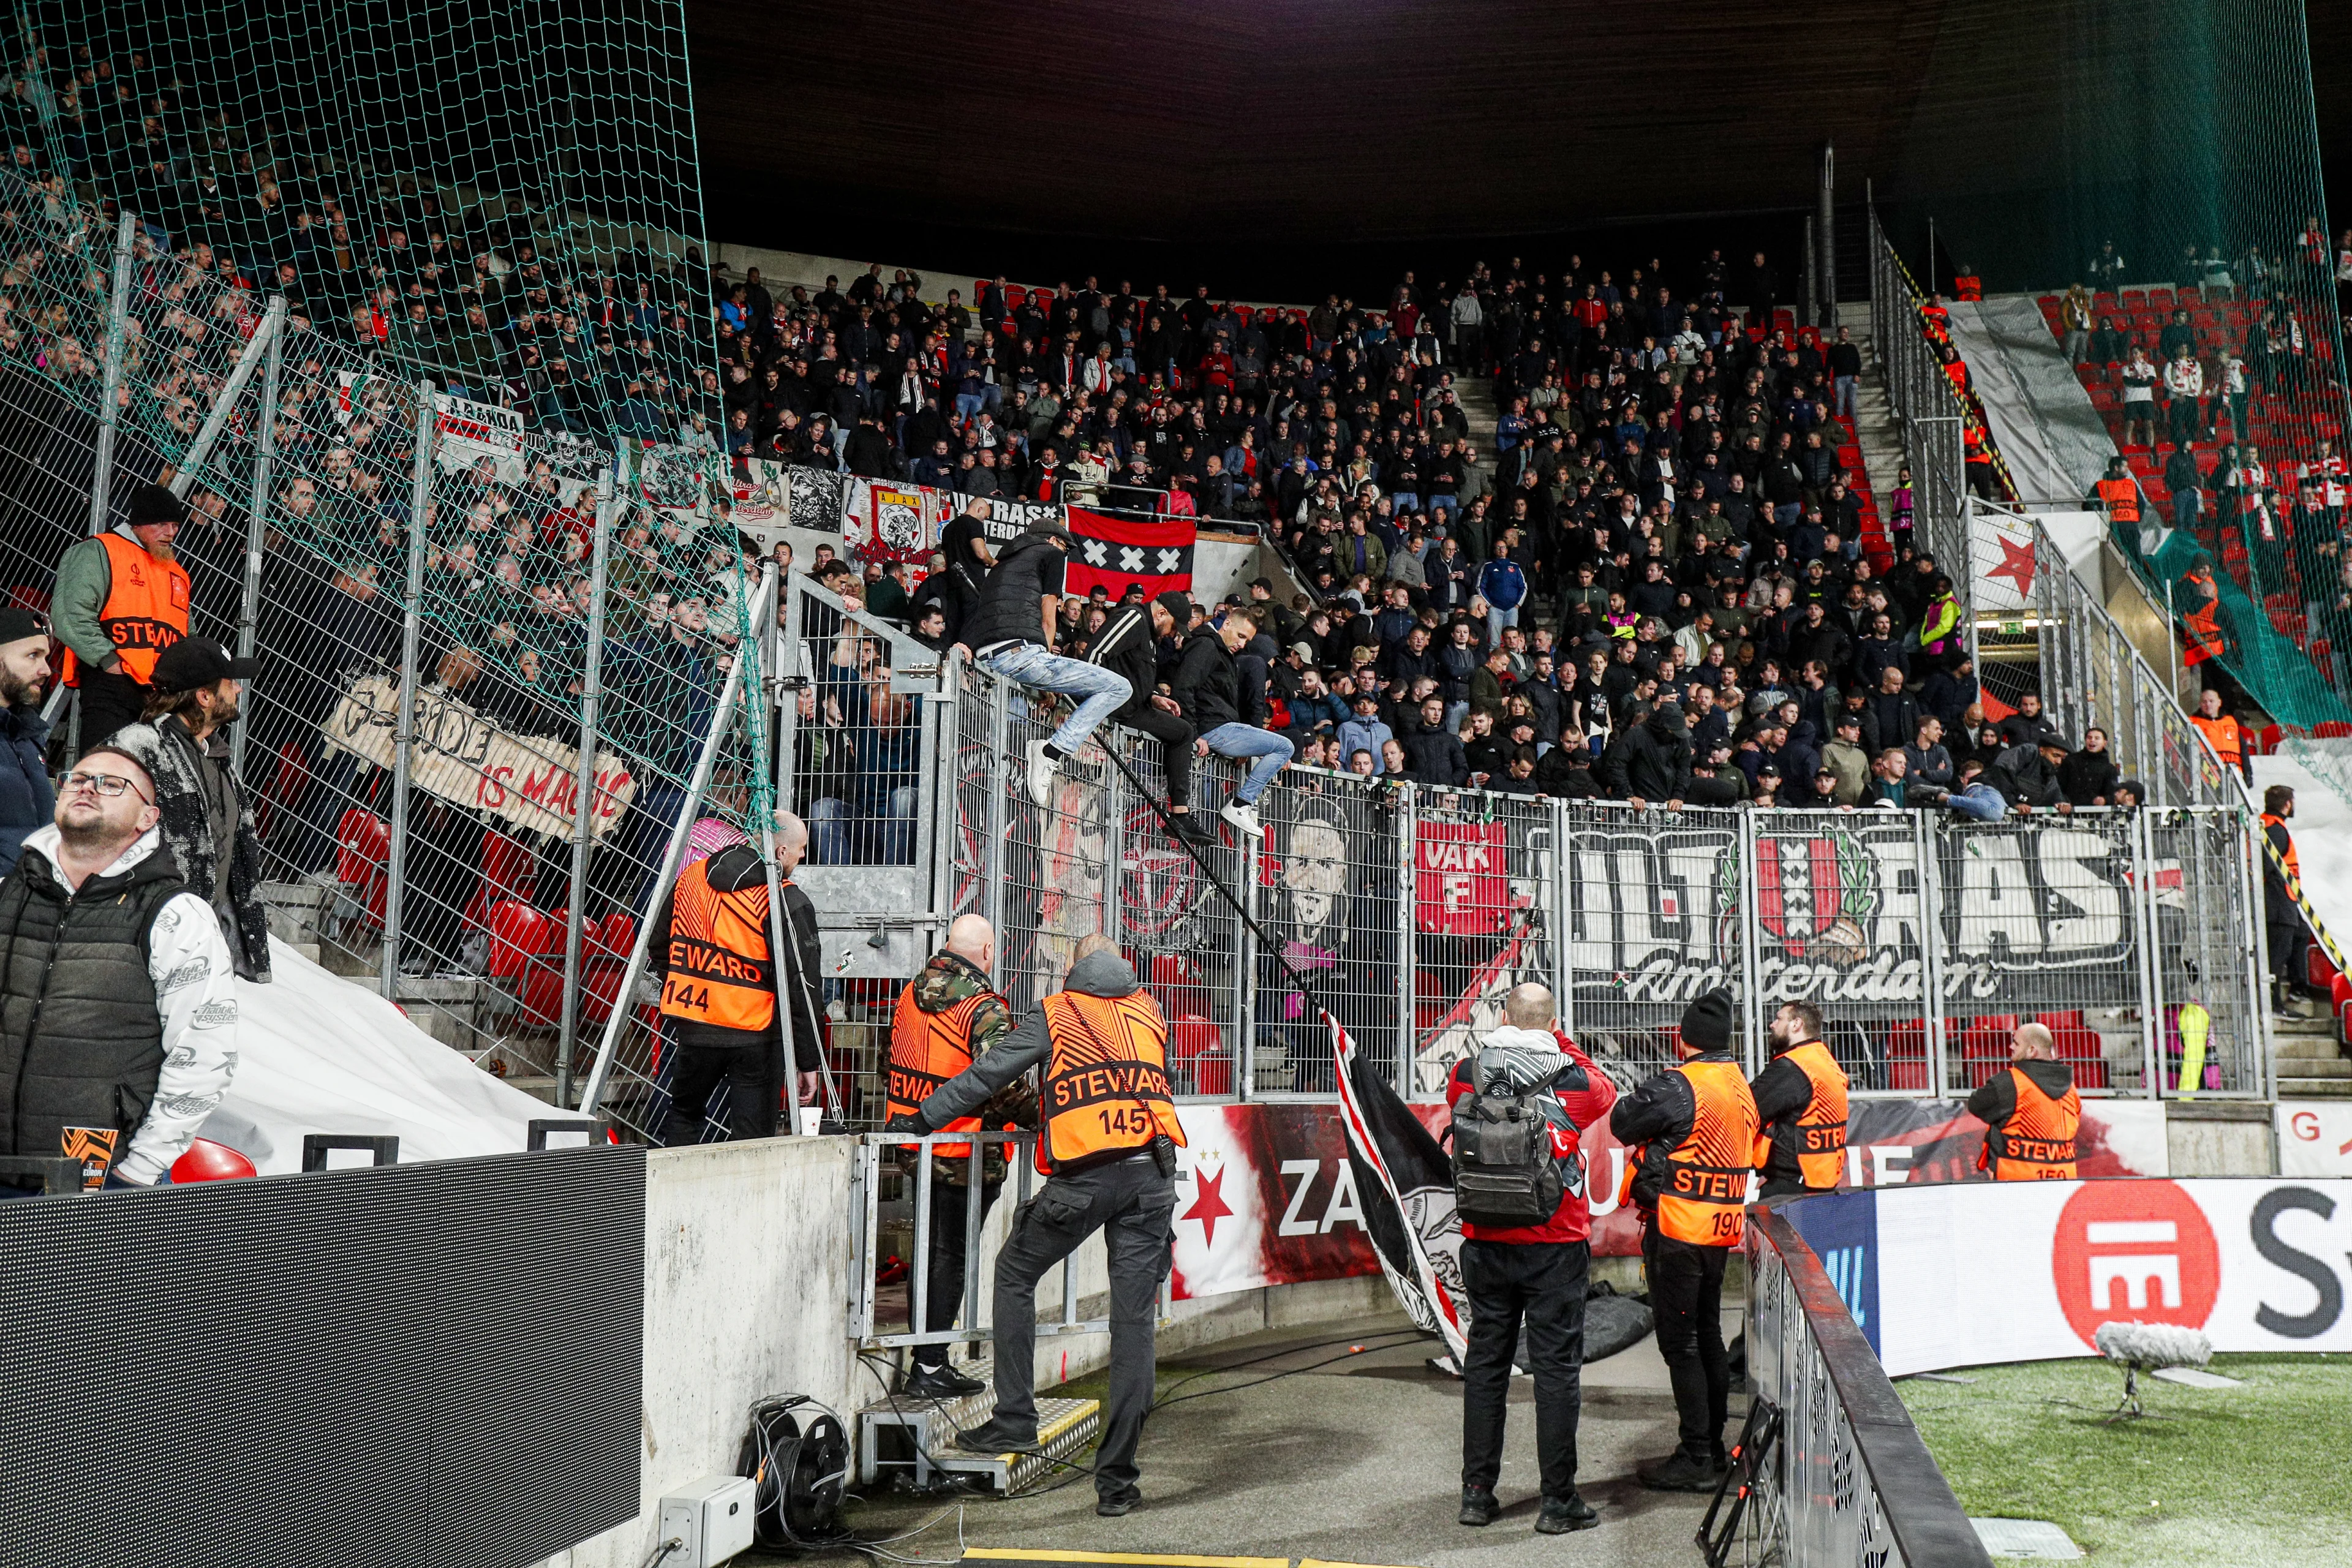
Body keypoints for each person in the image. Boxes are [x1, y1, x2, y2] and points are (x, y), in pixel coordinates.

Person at [894, 933, 1183, 1518]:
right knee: (1134, 1328)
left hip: (1085, 1181)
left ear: (1074, 971)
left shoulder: (1058, 1010)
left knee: (1013, 1273)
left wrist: (923, 1119)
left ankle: (1016, 1422)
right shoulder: (1150, 1011)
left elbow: (989, 1075)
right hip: (1154, 1177)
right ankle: (1118, 1485)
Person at [0, 745, 236, 1193]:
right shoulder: (6, 894)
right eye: (77, 777)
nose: (88, 787)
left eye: (112, 784)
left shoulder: (177, 915)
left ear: (147, 818)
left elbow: (205, 1052)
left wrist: (141, 1169)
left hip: (100, 1180)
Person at [1447, 982, 1617, 1534]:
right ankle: (1558, 1501)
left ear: (1502, 1015)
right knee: (1555, 1373)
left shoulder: (1469, 1070)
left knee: (1486, 1367)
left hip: (1485, 1239)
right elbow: (1608, 1092)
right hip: (1555, 1245)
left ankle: (1477, 1494)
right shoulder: (1571, 1076)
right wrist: (1556, 1037)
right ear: (1552, 1023)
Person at [1610, 989, 1757, 1491]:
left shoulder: (1682, 1085)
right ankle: (1710, 1448)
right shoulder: (1740, 1085)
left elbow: (1622, 1121)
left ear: (1683, 1038)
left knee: (1682, 1343)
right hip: (1720, 1229)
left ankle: (1697, 1455)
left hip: (1678, 1229)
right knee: (1708, 1336)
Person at [884, 914, 1032, 1399]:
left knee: (929, 1253)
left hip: (915, 1144)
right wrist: (1042, 1115)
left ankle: (925, 1360)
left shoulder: (908, 994)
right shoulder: (984, 1009)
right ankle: (929, 1365)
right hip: (968, 1152)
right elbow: (1004, 1082)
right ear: (987, 953)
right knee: (951, 1257)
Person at [102, 638, 272, 981]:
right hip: (142, 947)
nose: (239, 690)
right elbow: (101, 845)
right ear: (204, 696)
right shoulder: (135, 748)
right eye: (230, 683)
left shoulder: (219, 759)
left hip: (203, 946)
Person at [648, 811, 824, 1144]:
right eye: (801, 849)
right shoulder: (784, 899)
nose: (803, 856)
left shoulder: (692, 877)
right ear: (781, 852)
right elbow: (801, 987)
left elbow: (659, 944)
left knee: (684, 1117)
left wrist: (687, 980)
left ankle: (673, 1195)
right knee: (752, 1136)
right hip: (754, 1033)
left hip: (693, 1022)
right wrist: (807, 1061)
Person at [957, 518, 1133, 806]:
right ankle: (1051, 752)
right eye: (1065, 548)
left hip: (989, 662)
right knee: (1119, 688)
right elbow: (1048, 616)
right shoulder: (1050, 554)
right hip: (1022, 655)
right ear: (1053, 541)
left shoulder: (1001, 566)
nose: (1064, 554)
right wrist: (1046, 661)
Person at [53, 482, 194, 756]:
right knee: (105, 772)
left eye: (176, 525)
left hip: (162, 696)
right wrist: (109, 662)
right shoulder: (100, 550)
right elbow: (70, 615)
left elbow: (186, 635)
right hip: (113, 685)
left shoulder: (177, 572)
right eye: (162, 524)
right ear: (138, 523)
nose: (171, 533)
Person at [1087, 591, 1208, 843]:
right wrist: (1093, 705)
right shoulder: (1133, 617)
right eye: (1175, 626)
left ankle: (1180, 815)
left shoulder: (1152, 637)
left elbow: (1133, 672)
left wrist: (1154, 697)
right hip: (1111, 704)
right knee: (1183, 733)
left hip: (1134, 706)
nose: (1173, 633)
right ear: (1162, 613)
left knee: (1183, 731)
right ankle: (1179, 816)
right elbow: (1095, 655)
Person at [1170, 605, 1295, 839]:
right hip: (1213, 728)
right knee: (1285, 746)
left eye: (1247, 641)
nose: (1242, 644)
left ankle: (1241, 805)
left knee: (1283, 748)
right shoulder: (1207, 645)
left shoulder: (1221, 653)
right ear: (1226, 624)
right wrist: (1193, 733)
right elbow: (1184, 688)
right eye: (1241, 636)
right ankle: (1241, 805)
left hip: (1220, 725)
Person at [1749, 1000, 1848, 1199]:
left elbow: (1745, 1108)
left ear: (1797, 1025)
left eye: (1779, 1019)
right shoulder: (1824, 1060)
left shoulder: (1793, 1068)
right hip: (1820, 1184)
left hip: (1791, 1189)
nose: (1772, 1025)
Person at [1966, 1022, 2079, 1180]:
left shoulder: (2010, 1082)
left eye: (2016, 1043)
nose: (2011, 1047)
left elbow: (1976, 1105)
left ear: (2032, 1051)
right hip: (2064, 1180)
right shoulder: (2071, 1087)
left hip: (2016, 1182)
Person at [0, 608, 55, 876]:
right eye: (33, 655)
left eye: (45, 657)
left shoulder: (29, 736)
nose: (46, 670)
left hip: (27, 900)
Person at [2260, 785, 2313, 1013]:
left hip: (2283, 900)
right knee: (2277, 955)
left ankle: (2297, 986)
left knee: (2301, 933)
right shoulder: (2276, 830)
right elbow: (2266, 866)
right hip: (2279, 902)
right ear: (2287, 804)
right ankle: (2272, 1003)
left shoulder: (2268, 825)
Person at [2188, 688, 2252, 785]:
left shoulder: (2230, 721)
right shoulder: (2193, 723)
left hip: (2233, 773)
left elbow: (2243, 749)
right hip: (2207, 776)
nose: (2208, 705)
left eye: (2211, 701)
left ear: (2219, 703)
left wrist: (2248, 773)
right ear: (2200, 704)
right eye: (2204, 702)